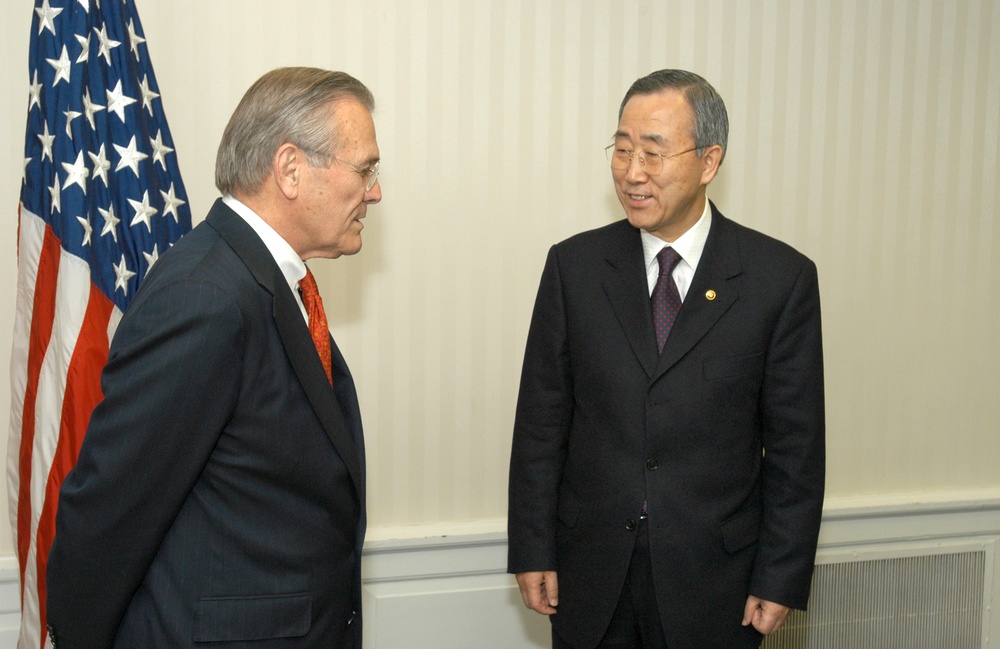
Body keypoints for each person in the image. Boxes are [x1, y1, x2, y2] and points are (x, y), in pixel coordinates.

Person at [46, 67, 381, 648]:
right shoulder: (206, 297)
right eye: (365, 169)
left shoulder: (266, 283)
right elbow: (109, 510)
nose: (374, 192)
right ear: (291, 169)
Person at [507, 69, 825, 649]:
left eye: (653, 153)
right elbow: (540, 424)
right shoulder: (575, 268)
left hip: (717, 583)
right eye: (622, 149)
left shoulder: (779, 279)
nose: (633, 172)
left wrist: (781, 575)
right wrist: (532, 547)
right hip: (590, 574)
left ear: (709, 161)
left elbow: (795, 452)